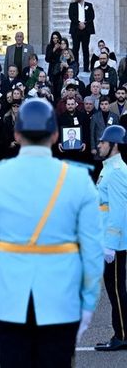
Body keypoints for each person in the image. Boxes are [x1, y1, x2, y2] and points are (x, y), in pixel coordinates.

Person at [0, 98, 103, 367]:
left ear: (16, 134)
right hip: (61, 299)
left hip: (8, 299)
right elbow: (92, 251)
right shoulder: (79, 179)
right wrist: (88, 304)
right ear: (55, 135)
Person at [94, 125, 127, 351]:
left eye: (103, 142)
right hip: (107, 240)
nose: (99, 145)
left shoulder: (116, 172)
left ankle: (122, 335)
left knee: (116, 290)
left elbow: (118, 211)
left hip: (113, 244)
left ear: (113, 145)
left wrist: (111, 245)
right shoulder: (109, 168)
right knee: (115, 290)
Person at [69, 0, 95, 72]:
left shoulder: (89, 5)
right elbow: (71, 16)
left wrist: (85, 24)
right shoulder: (72, 5)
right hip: (76, 30)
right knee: (75, 49)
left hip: (86, 30)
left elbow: (92, 16)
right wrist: (79, 23)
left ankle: (86, 68)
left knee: (85, 49)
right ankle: (75, 67)